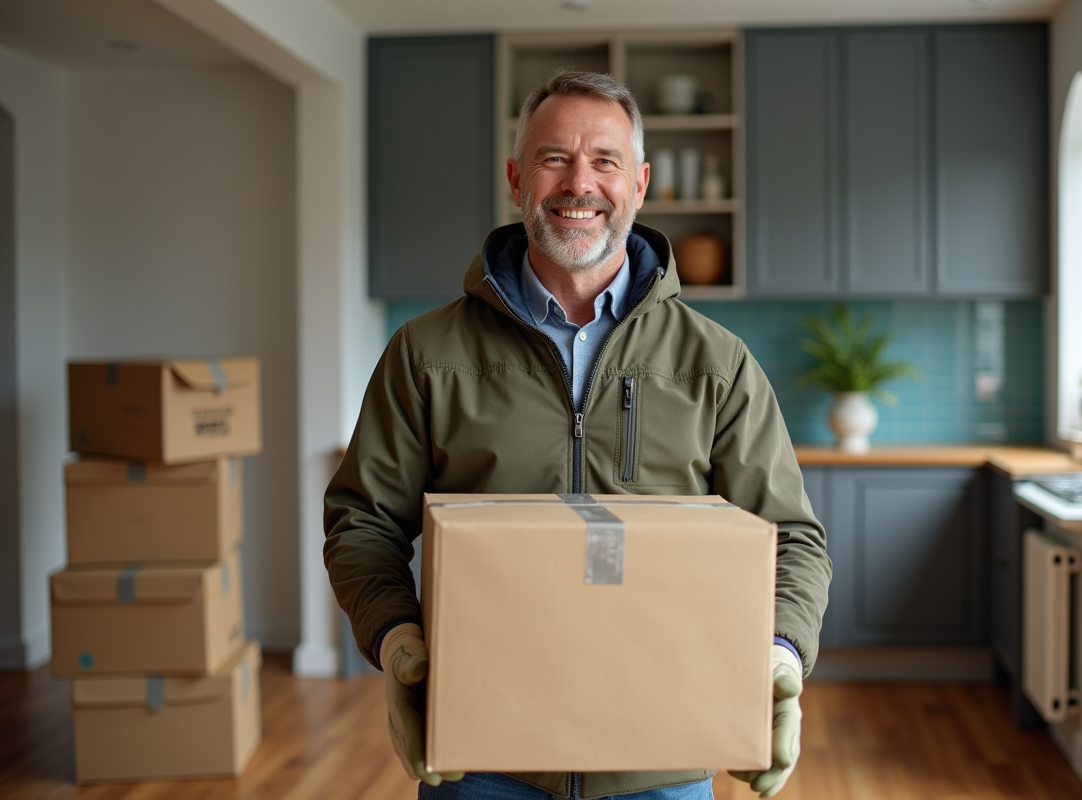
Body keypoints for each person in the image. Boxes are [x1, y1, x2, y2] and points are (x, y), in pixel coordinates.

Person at [323, 70, 831, 800]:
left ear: (641, 184)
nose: (578, 183)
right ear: (516, 178)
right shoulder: (427, 354)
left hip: (665, 756)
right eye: (553, 157)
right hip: (484, 757)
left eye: (605, 160)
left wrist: (780, 654)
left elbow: (791, 536)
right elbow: (362, 521)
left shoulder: (716, 364)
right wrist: (397, 638)